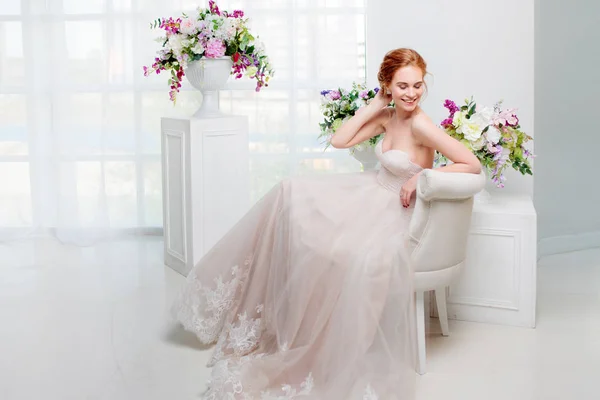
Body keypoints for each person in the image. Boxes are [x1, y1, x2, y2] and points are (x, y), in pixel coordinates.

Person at [171, 48, 481, 399]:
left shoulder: (422, 124)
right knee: (290, 193)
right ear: (388, 86)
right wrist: (377, 104)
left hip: (396, 209)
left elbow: (470, 164)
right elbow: (340, 140)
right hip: (369, 193)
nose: (411, 94)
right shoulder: (389, 114)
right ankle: (286, 323)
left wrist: (423, 178)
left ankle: (330, 343)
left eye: (418, 86)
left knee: (350, 254)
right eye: (402, 86)